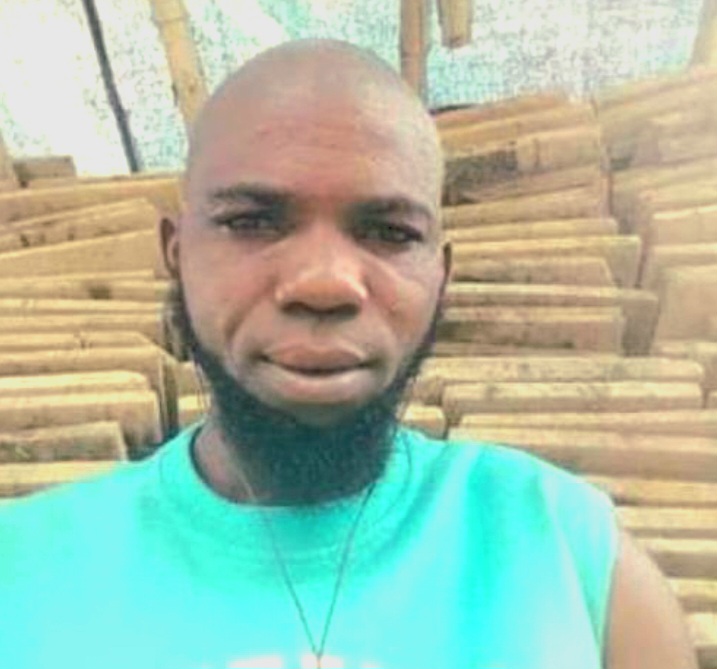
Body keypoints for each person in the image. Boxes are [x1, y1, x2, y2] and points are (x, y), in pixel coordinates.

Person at [0, 39, 698, 669]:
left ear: (440, 276)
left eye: (387, 232)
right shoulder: (20, 572)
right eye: (252, 222)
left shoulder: (576, 563)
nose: (324, 282)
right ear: (175, 256)